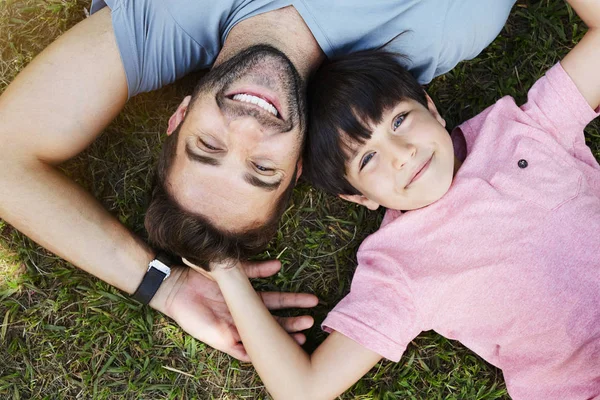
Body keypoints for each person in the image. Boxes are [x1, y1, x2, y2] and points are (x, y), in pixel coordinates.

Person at [0, 0, 515, 360]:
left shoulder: (161, 24)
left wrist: (160, 284)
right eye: (262, 169)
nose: (246, 131)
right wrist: (174, 289)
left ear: (178, 117)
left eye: (208, 147)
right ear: (298, 166)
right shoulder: (433, 34)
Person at [202, 0, 600, 398]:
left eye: (399, 120)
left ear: (430, 108)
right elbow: (303, 389)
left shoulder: (524, 127)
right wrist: (226, 271)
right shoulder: (400, 267)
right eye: (368, 157)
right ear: (357, 196)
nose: (402, 152)